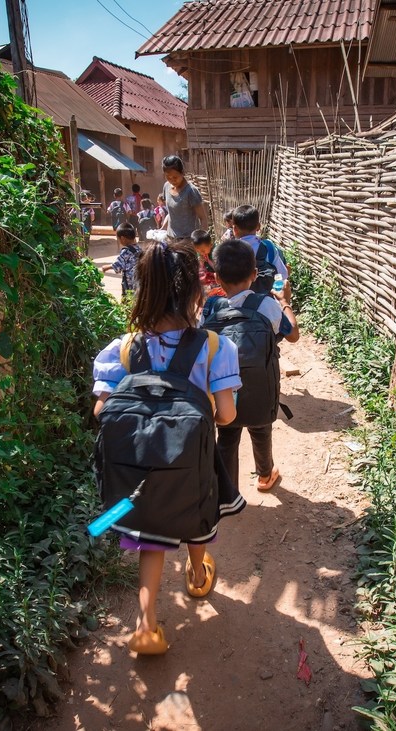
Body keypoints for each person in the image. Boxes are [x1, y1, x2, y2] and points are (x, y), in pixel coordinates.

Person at [92, 239, 244, 655]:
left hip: (139, 466)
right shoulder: (215, 347)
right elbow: (227, 416)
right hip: (190, 462)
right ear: (195, 293)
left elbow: (102, 410)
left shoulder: (122, 349)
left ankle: (145, 624)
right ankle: (198, 574)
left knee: (150, 534)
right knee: (195, 515)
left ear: (145, 291)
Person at [204, 238, 299, 493]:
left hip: (224, 389)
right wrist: (285, 301)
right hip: (261, 386)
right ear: (255, 274)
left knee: (227, 435)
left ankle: (227, 491)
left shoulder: (211, 306)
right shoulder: (266, 304)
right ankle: (265, 476)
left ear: (217, 277)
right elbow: (292, 335)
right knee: (260, 429)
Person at [230, 204, 289, 293]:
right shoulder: (268, 247)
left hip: (239, 303)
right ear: (258, 226)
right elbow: (283, 274)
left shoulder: (230, 251)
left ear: (234, 229)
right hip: (266, 301)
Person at [161, 155, 208, 244]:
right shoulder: (166, 187)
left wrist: (200, 241)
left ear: (182, 172)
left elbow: (203, 218)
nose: (172, 180)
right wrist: (163, 228)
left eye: (175, 177)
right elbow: (171, 213)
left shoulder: (191, 191)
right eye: (168, 177)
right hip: (171, 239)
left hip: (187, 241)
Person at [101, 223, 142, 298]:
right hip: (140, 281)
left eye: (118, 238)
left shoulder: (126, 251)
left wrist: (106, 267)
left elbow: (118, 265)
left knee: (128, 301)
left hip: (130, 284)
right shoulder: (139, 249)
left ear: (122, 238)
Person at [190, 228, 219, 297]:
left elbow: (218, 268)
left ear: (211, 245)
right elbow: (200, 268)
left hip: (216, 277)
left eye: (203, 251)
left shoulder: (216, 253)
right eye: (198, 251)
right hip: (208, 278)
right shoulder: (200, 253)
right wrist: (201, 262)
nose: (201, 253)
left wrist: (209, 261)